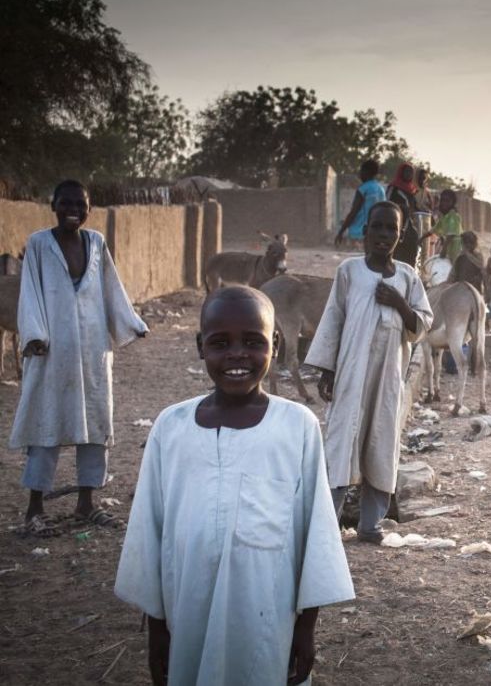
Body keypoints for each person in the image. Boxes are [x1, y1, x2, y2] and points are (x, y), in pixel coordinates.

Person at [115, 286, 354, 685]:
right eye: (220, 343)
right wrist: (157, 630)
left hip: (268, 622)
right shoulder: (170, 429)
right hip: (185, 618)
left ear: (275, 344)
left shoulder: (296, 428)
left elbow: (316, 538)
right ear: (200, 346)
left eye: (253, 341)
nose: (237, 355)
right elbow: (149, 536)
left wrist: (306, 628)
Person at [9, 180, 148, 537]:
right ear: (53, 204)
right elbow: (31, 292)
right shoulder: (39, 244)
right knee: (45, 425)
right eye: (66, 203)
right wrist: (35, 335)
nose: (73, 209)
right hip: (51, 352)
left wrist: (130, 323)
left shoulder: (97, 242)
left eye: (80, 204)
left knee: (96, 429)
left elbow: (111, 286)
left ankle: (87, 503)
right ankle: (34, 508)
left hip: (92, 352)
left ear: (90, 208)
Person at [305, 201, 433, 544]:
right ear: (366, 230)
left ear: (400, 234)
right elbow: (334, 318)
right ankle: (329, 522)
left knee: (381, 441)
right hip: (350, 373)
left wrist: (399, 303)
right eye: (377, 226)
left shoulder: (408, 277)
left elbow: (422, 323)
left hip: (387, 379)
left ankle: (370, 524)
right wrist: (327, 371)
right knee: (342, 441)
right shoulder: (349, 271)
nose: (383, 234)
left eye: (391, 228)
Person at [335, 159, 385, 247]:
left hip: (359, 233)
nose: (359, 174)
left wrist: (341, 232)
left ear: (367, 172)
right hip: (375, 232)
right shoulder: (381, 189)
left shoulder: (363, 189)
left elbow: (354, 212)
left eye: (361, 171)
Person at [386, 162, 424, 267]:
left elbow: (415, 208)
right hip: (395, 222)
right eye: (406, 172)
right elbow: (388, 203)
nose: (409, 174)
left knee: (412, 245)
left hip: (408, 226)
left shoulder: (411, 191)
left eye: (411, 172)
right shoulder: (394, 188)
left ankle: (409, 273)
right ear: (401, 172)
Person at [423, 188, 463, 264]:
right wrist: (422, 238)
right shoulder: (445, 217)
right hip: (449, 249)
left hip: (456, 249)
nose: (444, 203)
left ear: (453, 203)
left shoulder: (453, 216)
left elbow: (450, 235)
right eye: (443, 200)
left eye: (447, 201)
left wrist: (443, 250)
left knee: (454, 268)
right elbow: (434, 229)